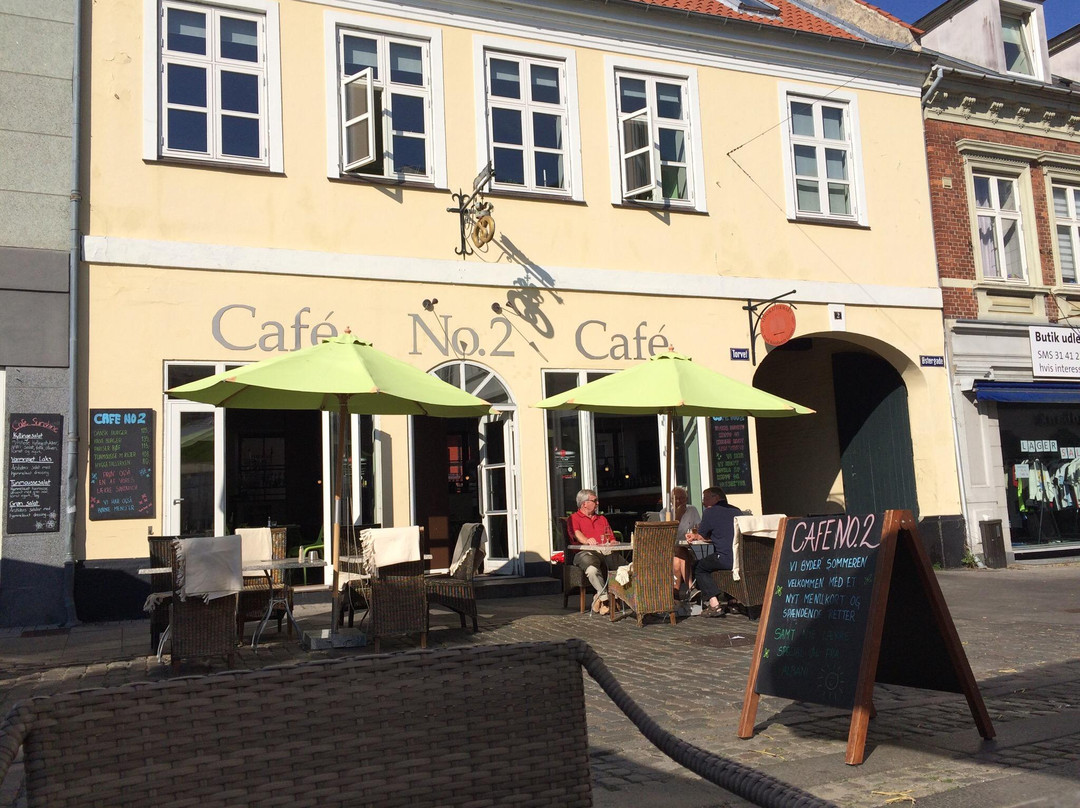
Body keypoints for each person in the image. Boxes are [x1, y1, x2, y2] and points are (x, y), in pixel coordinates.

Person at [568, 488, 628, 615]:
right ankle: (605, 599)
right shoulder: (573, 518)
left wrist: (613, 541)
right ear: (584, 503)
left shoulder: (602, 519)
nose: (597, 503)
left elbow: (611, 537)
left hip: (604, 552)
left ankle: (612, 596)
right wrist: (586, 540)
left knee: (626, 567)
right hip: (583, 553)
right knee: (592, 569)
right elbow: (576, 533)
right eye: (594, 500)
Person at [692, 486, 743, 617]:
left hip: (725, 558)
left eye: (706, 498)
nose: (703, 502)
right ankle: (733, 602)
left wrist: (694, 536)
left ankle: (714, 605)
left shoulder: (710, 512)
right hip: (740, 558)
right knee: (720, 565)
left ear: (716, 498)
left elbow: (701, 535)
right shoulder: (737, 511)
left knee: (700, 567)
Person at [670, 486, 701, 598]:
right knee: (680, 551)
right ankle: (690, 587)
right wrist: (679, 515)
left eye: (682, 498)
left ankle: (675, 592)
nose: (679, 501)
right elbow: (669, 533)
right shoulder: (665, 513)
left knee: (679, 556)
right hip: (670, 549)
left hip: (690, 548)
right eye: (676, 498)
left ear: (686, 499)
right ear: (671, 500)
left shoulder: (692, 510)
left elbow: (698, 527)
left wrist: (695, 535)